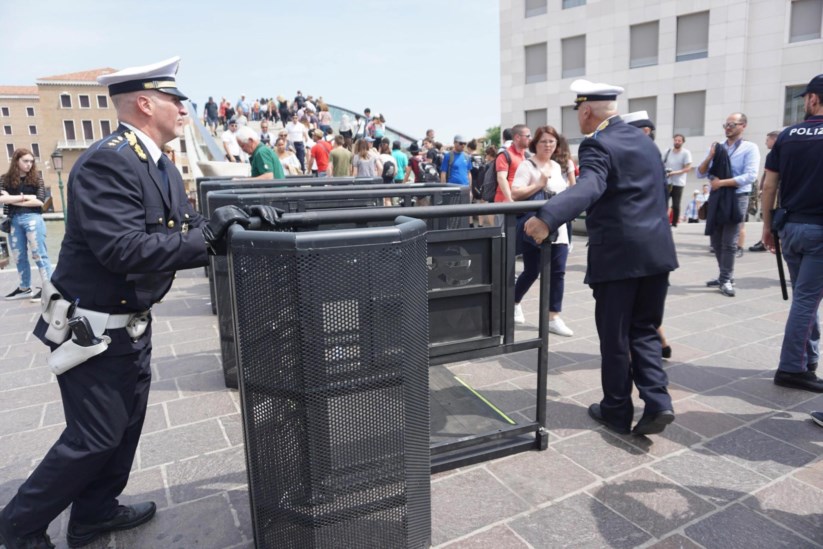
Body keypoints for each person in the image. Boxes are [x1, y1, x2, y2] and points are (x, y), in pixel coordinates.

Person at [0, 56, 249, 549]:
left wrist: (234, 225)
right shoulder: (108, 160)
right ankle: (18, 527)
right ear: (145, 103)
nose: (184, 110)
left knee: (124, 430)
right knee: (93, 437)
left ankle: (93, 514)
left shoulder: (158, 164)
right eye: (176, 100)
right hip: (94, 327)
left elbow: (186, 228)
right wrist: (209, 239)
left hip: (129, 322)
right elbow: (122, 249)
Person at [525, 79, 678, 436]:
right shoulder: (645, 141)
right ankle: (658, 402)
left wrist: (546, 217)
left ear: (586, 110)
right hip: (657, 251)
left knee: (615, 337)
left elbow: (591, 186)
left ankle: (616, 410)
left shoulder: (598, 144)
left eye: (577, 112)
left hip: (620, 256)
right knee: (643, 330)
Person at [761, 74, 823, 393]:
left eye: (806, 99)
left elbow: (769, 184)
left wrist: (767, 227)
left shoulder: (787, 135)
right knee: (807, 300)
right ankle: (791, 368)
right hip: (818, 230)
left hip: (792, 228)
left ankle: (807, 359)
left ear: (813, 99)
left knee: (804, 297)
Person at [511, 126, 573, 337]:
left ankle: (553, 316)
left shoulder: (557, 166)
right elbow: (515, 194)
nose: (548, 145)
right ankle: (514, 302)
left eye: (552, 141)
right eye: (543, 141)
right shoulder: (526, 166)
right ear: (535, 144)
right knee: (532, 270)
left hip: (559, 226)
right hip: (535, 225)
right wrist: (539, 184)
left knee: (558, 272)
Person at [697, 112, 760, 297]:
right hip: (718, 198)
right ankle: (725, 276)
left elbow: (750, 176)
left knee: (729, 241)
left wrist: (721, 183)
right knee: (715, 240)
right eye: (726, 125)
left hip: (738, 197)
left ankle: (725, 278)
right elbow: (701, 173)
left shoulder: (750, 148)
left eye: (732, 124)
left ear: (743, 126)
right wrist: (709, 157)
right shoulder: (719, 148)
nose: (728, 128)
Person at [0, 148, 53, 302]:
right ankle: (25, 287)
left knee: (39, 254)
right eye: (25, 161)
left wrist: (12, 198)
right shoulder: (4, 180)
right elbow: (1, 200)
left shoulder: (37, 179)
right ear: (16, 161)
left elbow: (39, 201)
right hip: (13, 220)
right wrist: (26, 197)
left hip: (33, 218)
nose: (29, 164)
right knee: (19, 255)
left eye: (31, 161)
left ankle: (48, 289)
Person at [749, 130, 781, 252]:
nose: (765, 142)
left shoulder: (774, 154)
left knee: (769, 215)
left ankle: (766, 240)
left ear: (774, 140)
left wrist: (763, 190)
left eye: (767, 140)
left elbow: (769, 178)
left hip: (774, 191)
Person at [663, 134, 693, 228]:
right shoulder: (667, 151)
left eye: (679, 140)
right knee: (664, 203)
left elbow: (688, 168)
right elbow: (661, 163)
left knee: (676, 204)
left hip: (678, 182)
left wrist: (674, 173)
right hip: (667, 181)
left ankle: (674, 223)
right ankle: (663, 221)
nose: (677, 142)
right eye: (675, 140)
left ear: (683, 142)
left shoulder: (686, 153)